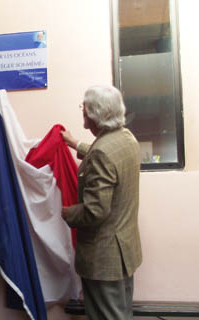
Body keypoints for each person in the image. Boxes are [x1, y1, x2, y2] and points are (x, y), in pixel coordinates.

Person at [60, 85, 142, 319]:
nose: (82, 111)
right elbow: (107, 157)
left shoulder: (102, 153)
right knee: (120, 314)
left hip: (104, 259)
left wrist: (68, 213)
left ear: (94, 114)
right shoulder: (126, 138)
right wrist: (75, 143)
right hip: (123, 253)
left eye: (84, 108)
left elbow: (95, 211)